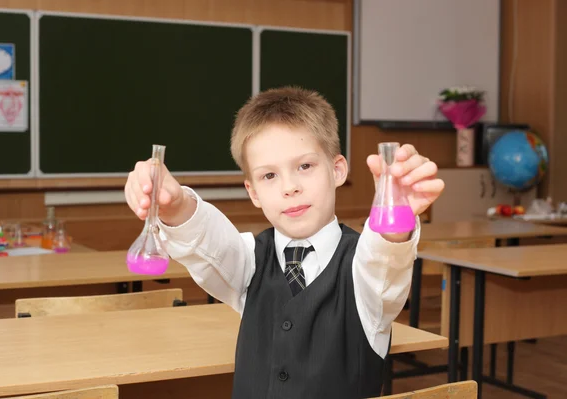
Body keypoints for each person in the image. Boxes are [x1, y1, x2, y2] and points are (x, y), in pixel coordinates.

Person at [124, 86, 444, 399]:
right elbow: (210, 244)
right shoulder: (249, 262)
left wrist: (393, 215)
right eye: (269, 176)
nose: (289, 187)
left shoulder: (362, 271)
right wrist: (175, 205)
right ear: (253, 193)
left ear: (337, 170)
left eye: (305, 166)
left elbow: (384, 265)